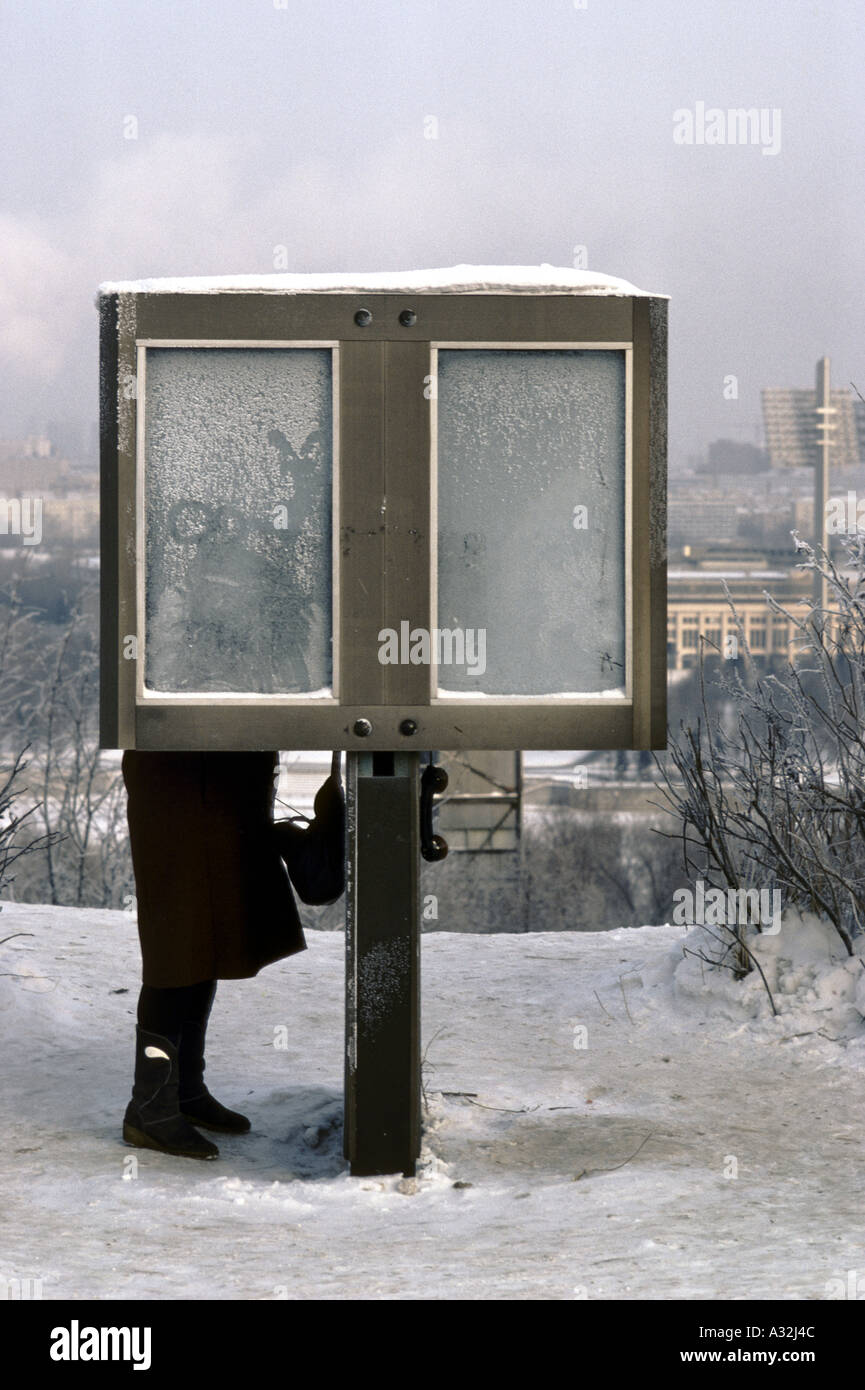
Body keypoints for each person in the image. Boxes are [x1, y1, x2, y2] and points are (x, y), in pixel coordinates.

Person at [121, 750, 318, 1161]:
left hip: (219, 791)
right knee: (175, 948)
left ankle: (186, 1090)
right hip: (181, 787)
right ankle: (150, 1109)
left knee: (206, 942)